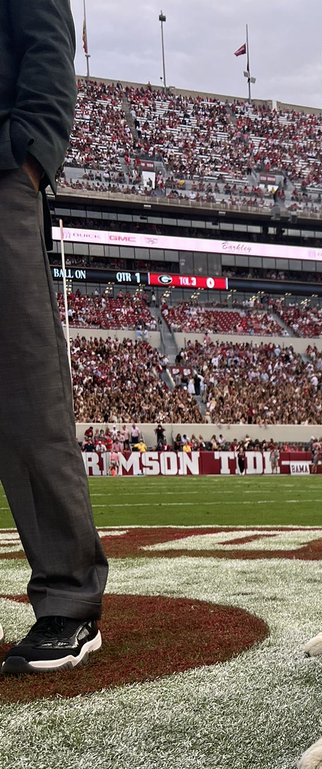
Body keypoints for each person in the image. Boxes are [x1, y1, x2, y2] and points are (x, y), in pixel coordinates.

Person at [0, 0, 108, 673]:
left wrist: (29, 156)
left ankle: (68, 599)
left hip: (2, 170)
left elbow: (45, 42)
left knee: (25, 391)